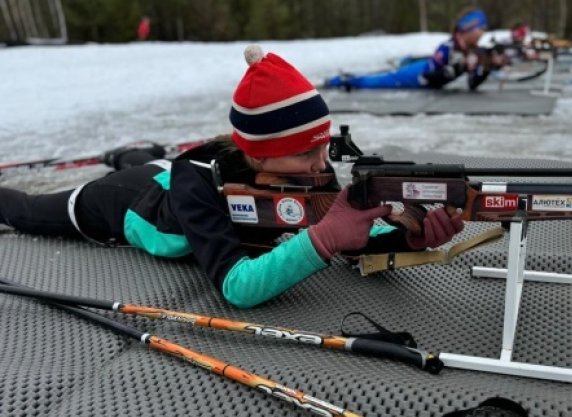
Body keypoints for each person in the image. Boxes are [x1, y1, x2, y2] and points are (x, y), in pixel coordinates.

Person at [0, 45, 464, 309]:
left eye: (323, 147)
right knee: (27, 212)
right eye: (306, 152)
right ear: (261, 159)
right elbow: (237, 287)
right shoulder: (197, 186)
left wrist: (408, 235)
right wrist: (321, 241)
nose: (323, 165)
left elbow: (352, 233)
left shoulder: (306, 168)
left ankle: (130, 153)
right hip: (126, 202)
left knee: (146, 160)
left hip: (168, 173)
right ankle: (129, 159)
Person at [324, 7, 505, 91]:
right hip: (415, 75)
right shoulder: (447, 48)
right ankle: (341, 80)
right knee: (375, 82)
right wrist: (457, 69)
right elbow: (429, 77)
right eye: (481, 29)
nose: (483, 33)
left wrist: (488, 67)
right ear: (468, 29)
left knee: (379, 78)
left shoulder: (473, 52)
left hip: (424, 75)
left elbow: (473, 84)